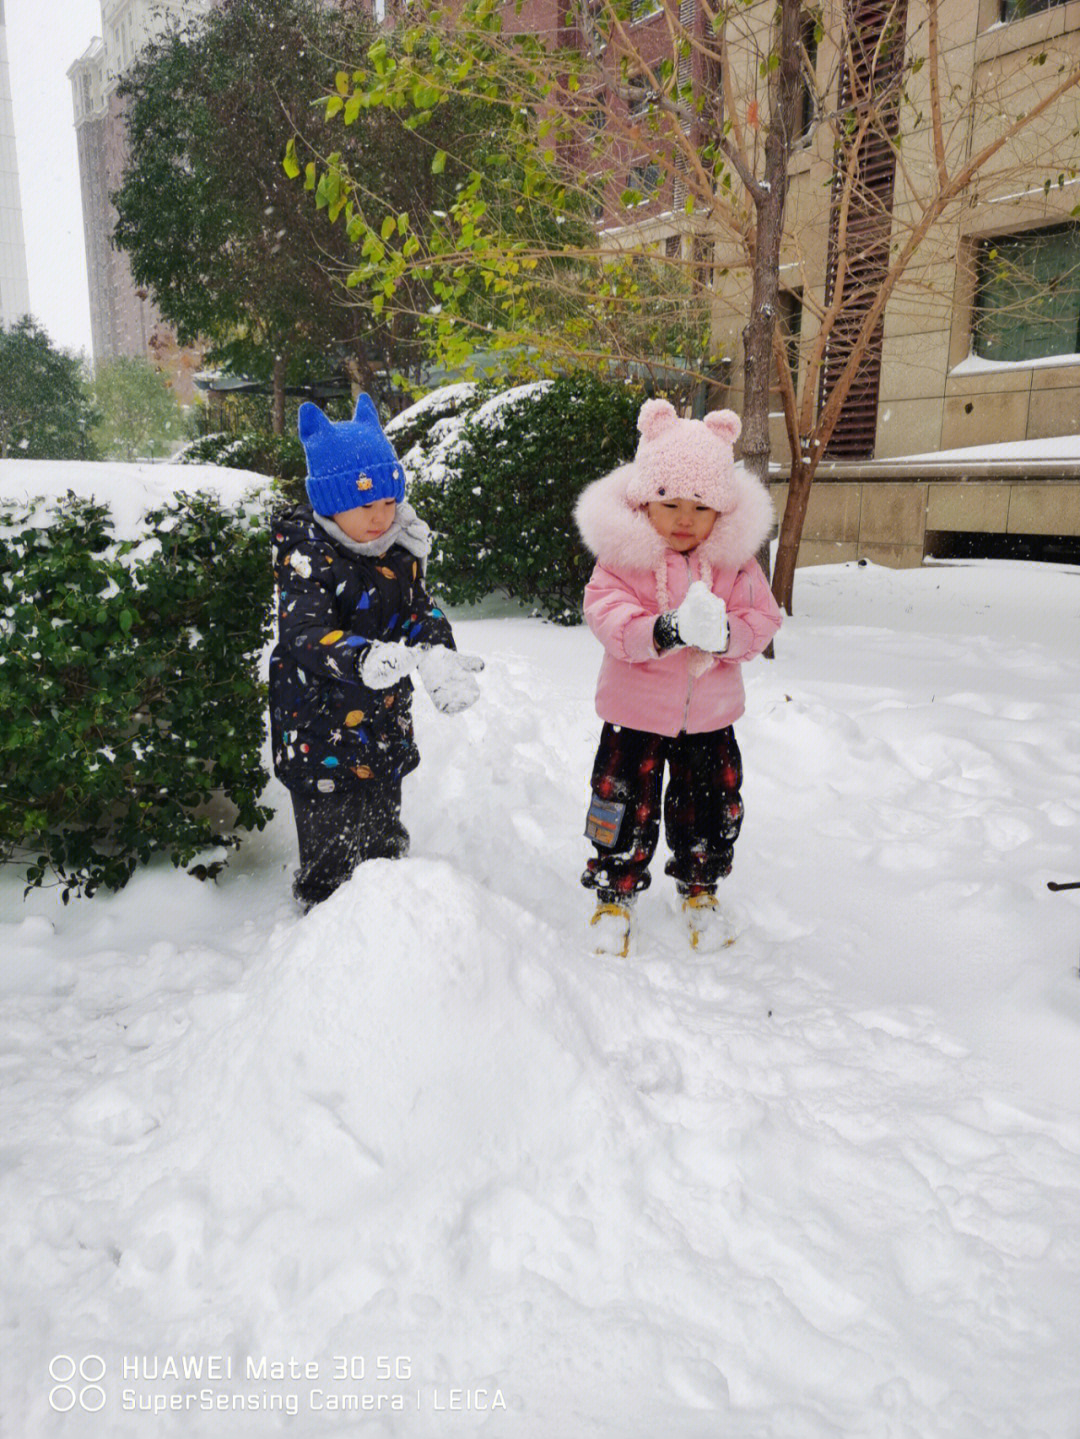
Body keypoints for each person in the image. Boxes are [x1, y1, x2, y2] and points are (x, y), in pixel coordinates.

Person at [574, 397, 782, 956]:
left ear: (721, 509)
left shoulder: (736, 563)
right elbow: (605, 613)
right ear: (644, 501)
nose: (684, 518)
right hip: (633, 715)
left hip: (710, 719)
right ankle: (614, 893)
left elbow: (763, 619)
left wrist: (724, 636)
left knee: (710, 805)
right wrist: (663, 630)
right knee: (621, 802)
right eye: (669, 502)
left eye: (700, 505)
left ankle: (700, 888)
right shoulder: (625, 556)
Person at [269, 393, 482, 910]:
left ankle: (390, 913)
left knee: (383, 833)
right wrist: (360, 658)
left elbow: (418, 610)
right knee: (332, 852)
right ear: (329, 502)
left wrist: (436, 652)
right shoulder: (307, 556)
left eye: (388, 501)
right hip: (320, 728)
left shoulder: (397, 549)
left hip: (381, 726)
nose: (381, 515)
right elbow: (304, 632)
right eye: (366, 504)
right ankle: (324, 925)